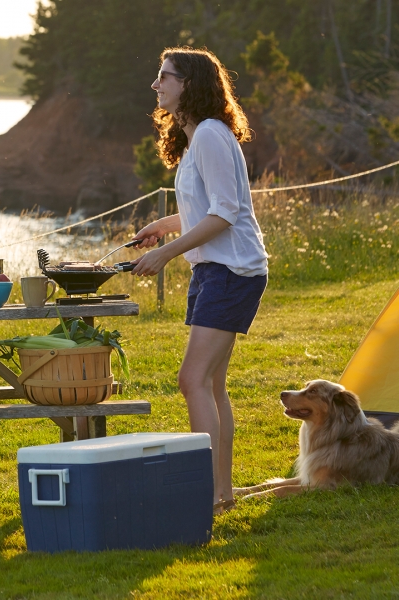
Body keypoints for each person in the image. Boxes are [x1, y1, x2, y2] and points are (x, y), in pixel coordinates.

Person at [131, 47, 268, 513]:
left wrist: (168, 254)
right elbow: (206, 208)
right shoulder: (198, 139)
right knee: (209, 384)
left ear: (189, 83)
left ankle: (207, 494)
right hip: (216, 270)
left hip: (231, 271)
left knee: (192, 380)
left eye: (164, 76)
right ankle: (221, 494)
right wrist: (163, 227)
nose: (157, 85)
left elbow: (227, 214)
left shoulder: (210, 134)